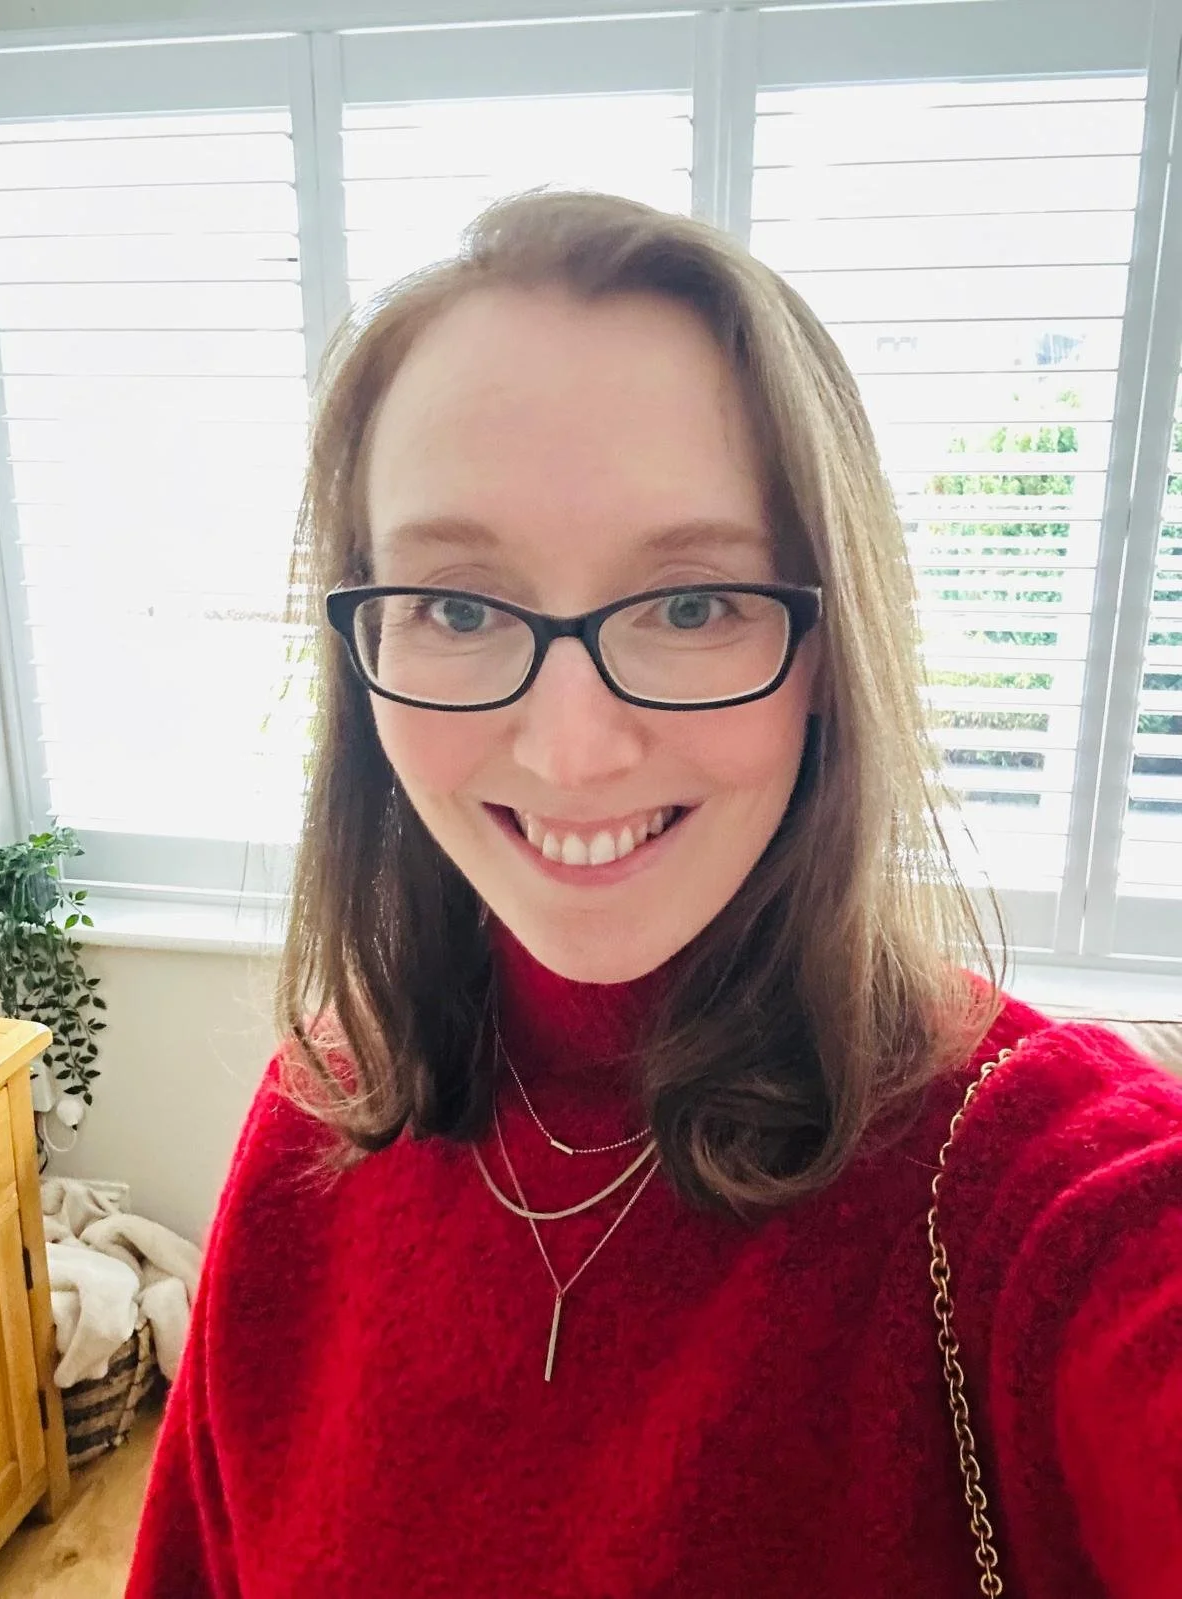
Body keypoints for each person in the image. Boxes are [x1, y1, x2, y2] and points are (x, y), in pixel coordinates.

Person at [125, 190, 1182, 1599]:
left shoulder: (1022, 1183)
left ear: (828, 641)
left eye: (693, 605)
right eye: (457, 603)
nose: (571, 751)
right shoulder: (320, 1110)